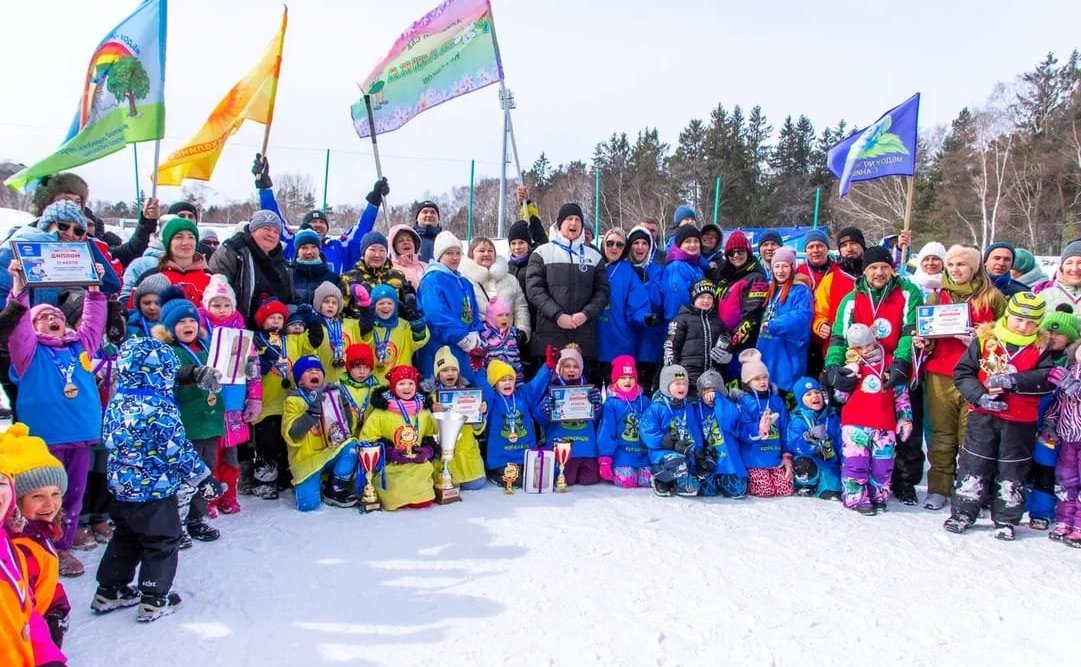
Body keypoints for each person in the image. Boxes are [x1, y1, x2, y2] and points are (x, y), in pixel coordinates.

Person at [92, 336, 225, 622]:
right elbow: (178, 451)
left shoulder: (118, 401)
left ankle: (109, 590)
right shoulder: (160, 409)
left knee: (126, 537)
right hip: (154, 491)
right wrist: (204, 479)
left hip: (121, 490)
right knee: (163, 540)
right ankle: (154, 597)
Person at [5, 257, 106, 578]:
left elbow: (93, 322)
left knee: (73, 492)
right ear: (32, 328)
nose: (51, 317)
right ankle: (36, 545)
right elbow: (18, 327)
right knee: (42, 495)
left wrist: (93, 291)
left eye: (56, 316)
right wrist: (19, 290)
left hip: (80, 433)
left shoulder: (80, 346)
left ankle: (61, 548)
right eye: (43, 316)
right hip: (44, 439)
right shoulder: (29, 352)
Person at [945, 292, 1054, 540]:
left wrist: (1015, 380)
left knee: (1012, 470)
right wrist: (979, 396)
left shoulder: (1040, 348)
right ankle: (963, 513)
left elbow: (1047, 379)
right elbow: (963, 372)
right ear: (1008, 315)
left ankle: (1006, 519)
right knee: (974, 464)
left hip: (1020, 421)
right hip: (984, 415)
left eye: (1031, 323)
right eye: (1019, 320)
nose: (1024, 326)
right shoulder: (986, 340)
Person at [824, 245, 923, 505]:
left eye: (884, 267)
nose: (879, 272)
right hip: (862, 367)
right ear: (865, 271)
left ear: (892, 269)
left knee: (899, 433)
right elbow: (838, 336)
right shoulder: (852, 298)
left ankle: (901, 484)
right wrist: (834, 367)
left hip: (894, 367)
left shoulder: (907, 292)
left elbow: (909, 330)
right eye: (873, 268)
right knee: (859, 437)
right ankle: (855, 490)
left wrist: (901, 362)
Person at [916, 245, 1005, 510]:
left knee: (972, 435)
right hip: (940, 374)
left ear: (975, 267)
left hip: (977, 377)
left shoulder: (992, 297)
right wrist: (924, 342)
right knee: (942, 434)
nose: (956, 270)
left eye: (962, 265)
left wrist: (984, 337)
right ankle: (939, 487)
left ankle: (970, 487)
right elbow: (927, 336)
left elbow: (1010, 338)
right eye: (951, 265)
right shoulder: (936, 297)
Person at [152, 296, 225, 547]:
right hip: (186, 423)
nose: (188, 325)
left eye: (192, 320)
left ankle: (197, 518)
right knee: (183, 476)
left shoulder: (205, 348)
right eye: (181, 321)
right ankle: (176, 523)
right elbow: (171, 376)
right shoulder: (167, 352)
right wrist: (192, 374)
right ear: (170, 327)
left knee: (205, 471)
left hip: (210, 422)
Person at [254, 154, 386, 274]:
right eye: (313, 222)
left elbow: (360, 232)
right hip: (294, 299)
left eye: (322, 222)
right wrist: (265, 189)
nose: (318, 225)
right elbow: (274, 221)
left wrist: (374, 203)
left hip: (331, 300)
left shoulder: (340, 248)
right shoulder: (290, 243)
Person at [0, 436, 67, 667]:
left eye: (55, 494)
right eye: (38, 496)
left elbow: (43, 583)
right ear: (16, 502)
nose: (50, 504)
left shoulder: (39, 534)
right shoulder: (23, 547)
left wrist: (57, 607)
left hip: (35, 637)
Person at [837, 324, 913, 515]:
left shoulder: (891, 363)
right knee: (856, 462)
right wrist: (846, 378)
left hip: (884, 423)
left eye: (868, 345)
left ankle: (878, 496)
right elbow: (840, 398)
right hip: (855, 423)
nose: (865, 351)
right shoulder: (850, 366)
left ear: (874, 341)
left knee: (883, 464)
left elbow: (901, 394)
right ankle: (855, 498)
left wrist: (905, 418)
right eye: (858, 348)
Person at [525, 203, 609, 374]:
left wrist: (585, 314)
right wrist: (558, 315)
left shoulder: (594, 257)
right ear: (560, 223)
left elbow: (602, 291)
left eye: (578, 219)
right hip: (550, 337)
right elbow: (534, 289)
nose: (574, 223)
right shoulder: (542, 253)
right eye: (569, 219)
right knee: (548, 391)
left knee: (580, 394)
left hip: (583, 337)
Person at [281, 356, 361, 511]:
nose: (314, 372)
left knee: (351, 446)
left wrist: (343, 405)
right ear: (299, 381)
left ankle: (335, 488)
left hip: (328, 452)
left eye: (318, 370)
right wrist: (311, 414)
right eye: (309, 371)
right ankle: (311, 482)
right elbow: (292, 434)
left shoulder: (330, 395)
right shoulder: (293, 401)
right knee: (308, 505)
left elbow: (347, 430)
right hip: (307, 460)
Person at [361, 365, 438, 510]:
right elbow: (367, 439)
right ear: (393, 387)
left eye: (410, 383)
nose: (406, 387)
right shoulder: (381, 412)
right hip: (391, 467)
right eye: (401, 384)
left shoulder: (423, 410)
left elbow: (432, 434)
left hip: (417, 466)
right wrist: (389, 453)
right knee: (396, 497)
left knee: (424, 499)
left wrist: (428, 450)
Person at [477, 354, 553, 484]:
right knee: (515, 480)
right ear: (494, 384)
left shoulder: (522, 394)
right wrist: (477, 368)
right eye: (502, 380)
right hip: (502, 458)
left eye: (510, 379)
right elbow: (481, 383)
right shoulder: (492, 398)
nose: (507, 382)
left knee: (539, 477)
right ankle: (494, 474)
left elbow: (536, 384)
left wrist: (548, 366)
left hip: (525, 454)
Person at [209, 210, 296, 322]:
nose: (271, 234)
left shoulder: (282, 264)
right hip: (235, 327)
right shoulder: (233, 252)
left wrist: (295, 318)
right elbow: (216, 289)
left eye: (276, 232)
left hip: (271, 331)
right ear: (253, 230)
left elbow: (290, 300)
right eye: (266, 229)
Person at [416, 231, 482, 377]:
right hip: (439, 348)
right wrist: (461, 337)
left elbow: (473, 310)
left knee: (471, 392)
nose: (455, 257)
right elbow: (435, 315)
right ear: (439, 256)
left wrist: (474, 331)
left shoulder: (464, 282)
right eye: (449, 253)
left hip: (465, 349)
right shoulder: (432, 280)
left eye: (458, 253)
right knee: (442, 392)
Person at [535, 346, 602, 486]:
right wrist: (545, 409)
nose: (571, 370)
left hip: (587, 448)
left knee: (590, 480)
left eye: (575, 366)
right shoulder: (551, 389)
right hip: (563, 446)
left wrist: (597, 406)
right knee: (566, 480)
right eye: (566, 366)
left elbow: (598, 419)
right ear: (559, 368)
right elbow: (539, 418)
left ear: (581, 369)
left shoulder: (588, 390)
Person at [597, 227, 654, 381]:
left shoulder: (628, 272)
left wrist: (645, 318)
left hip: (619, 345)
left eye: (619, 244)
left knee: (619, 394)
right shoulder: (594, 264)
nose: (614, 248)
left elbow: (637, 306)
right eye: (610, 243)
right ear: (603, 244)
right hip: (593, 343)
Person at [734, 349, 792, 498]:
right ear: (747, 382)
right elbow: (741, 429)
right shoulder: (745, 402)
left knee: (785, 489)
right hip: (754, 458)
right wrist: (759, 429)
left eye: (765, 377)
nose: (762, 382)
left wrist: (786, 454)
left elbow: (785, 428)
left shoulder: (776, 401)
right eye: (756, 379)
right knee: (764, 491)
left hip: (775, 457)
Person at [426, 347, 486, 491]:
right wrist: (432, 413)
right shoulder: (431, 399)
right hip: (444, 457)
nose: (450, 373)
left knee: (477, 484)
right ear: (437, 374)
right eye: (445, 370)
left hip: (467, 457)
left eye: (453, 369)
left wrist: (480, 414)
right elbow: (427, 430)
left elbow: (477, 430)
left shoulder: (470, 395)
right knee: (444, 485)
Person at [639, 364, 704, 497]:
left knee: (697, 467)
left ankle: (678, 481)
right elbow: (646, 431)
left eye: (684, 384)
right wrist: (665, 441)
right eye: (677, 384)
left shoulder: (688, 407)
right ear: (666, 386)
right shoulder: (657, 407)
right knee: (677, 461)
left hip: (685, 449)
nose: (682, 387)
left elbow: (694, 429)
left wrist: (698, 449)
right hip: (662, 451)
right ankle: (660, 477)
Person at [713, 231, 769, 381]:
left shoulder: (756, 278)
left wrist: (731, 348)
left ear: (748, 252)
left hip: (741, 348)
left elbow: (751, 318)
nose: (736, 255)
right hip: (720, 342)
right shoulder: (726, 277)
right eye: (731, 252)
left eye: (740, 251)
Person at [756, 247, 812, 395]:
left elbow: (802, 316)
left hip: (787, 355)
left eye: (785, 266)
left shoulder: (800, 290)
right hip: (768, 351)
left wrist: (774, 325)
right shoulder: (771, 289)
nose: (780, 271)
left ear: (792, 267)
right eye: (777, 266)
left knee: (784, 397)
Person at [811, 226, 865, 370]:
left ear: (862, 246)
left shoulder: (874, 274)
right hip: (838, 348)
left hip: (870, 348)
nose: (849, 248)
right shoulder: (831, 278)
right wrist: (820, 325)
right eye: (844, 245)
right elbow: (819, 312)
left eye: (853, 243)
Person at [1044, 343, 1081, 547]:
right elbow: (1058, 401)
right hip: (1068, 438)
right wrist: (1050, 423)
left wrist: (1075, 388)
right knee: (1066, 481)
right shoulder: (1070, 371)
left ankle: (1079, 526)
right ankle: (1065, 520)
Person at [460, 236, 531, 342]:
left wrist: (522, 330)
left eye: (490, 250)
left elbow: (520, 307)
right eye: (481, 250)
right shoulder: (464, 282)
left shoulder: (510, 279)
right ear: (471, 255)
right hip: (478, 343)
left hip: (508, 342)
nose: (486, 254)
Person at [597, 355, 652, 488]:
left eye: (631, 377)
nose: (627, 380)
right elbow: (607, 431)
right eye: (623, 378)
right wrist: (605, 459)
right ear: (616, 381)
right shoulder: (612, 404)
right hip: (622, 454)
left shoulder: (644, 401)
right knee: (627, 482)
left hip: (642, 453)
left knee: (646, 482)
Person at [134, 214, 212, 306]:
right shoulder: (151, 277)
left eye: (191, 237)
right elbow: (134, 313)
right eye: (179, 237)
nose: (186, 242)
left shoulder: (212, 279)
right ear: (168, 242)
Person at [664, 279, 729, 390]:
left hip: (712, 377)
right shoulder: (682, 319)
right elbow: (670, 348)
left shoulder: (718, 321)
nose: (706, 300)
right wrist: (675, 376)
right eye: (701, 297)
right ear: (694, 299)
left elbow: (726, 344)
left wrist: (727, 356)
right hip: (688, 377)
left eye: (709, 297)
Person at [785, 377, 842, 500]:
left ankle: (826, 487)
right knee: (803, 464)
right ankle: (805, 485)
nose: (815, 396)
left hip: (829, 460)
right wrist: (808, 440)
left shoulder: (832, 417)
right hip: (809, 459)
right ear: (801, 400)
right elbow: (793, 445)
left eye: (817, 392)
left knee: (833, 487)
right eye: (808, 394)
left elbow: (841, 440)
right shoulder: (798, 420)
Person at [694, 370, 747, 498]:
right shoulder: (696, 408)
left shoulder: (730, 406)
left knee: (738, 490)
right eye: (706, 390)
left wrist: (719, 400)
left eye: (715, 390)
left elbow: (727, 422)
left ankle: (724, 478)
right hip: (708, 459)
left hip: (728, 460)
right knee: (707, 493)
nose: (710, 394)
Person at [626, 225, 666, 393]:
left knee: (646, 388)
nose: (640, 247)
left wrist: (646, 286)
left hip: (650, 340)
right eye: (636, 243)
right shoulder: (622, 269)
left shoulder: (658, 272)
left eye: (644, 243)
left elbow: (661, 301)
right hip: (626, 337)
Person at [339, 231, 411, 319]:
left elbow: (407, 309)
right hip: (360, 330)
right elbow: (341, 312)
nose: (377, 255)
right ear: (364, 252)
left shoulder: (397, 276)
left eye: (382, 250)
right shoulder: (348, 278)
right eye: (372, 249)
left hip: (392, 330)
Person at [659, 226, 705, 321]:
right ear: (680, 245)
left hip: (693, 324)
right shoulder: (676, 267)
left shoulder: (695, 266)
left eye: (696, 241)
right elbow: (676, 304)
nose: (692, 245)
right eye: (687, 241)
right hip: (682, 326)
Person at [479, 297, 524, 383]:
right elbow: (481, 365)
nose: (504, 318)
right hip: (490, 384)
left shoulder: (512, 335)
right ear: (491, 316)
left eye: (507, 315)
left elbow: (516, 363)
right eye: (500, 315)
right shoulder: (485, 336)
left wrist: (519, 384)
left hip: (508, 383)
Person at [290, 229, 336, 306]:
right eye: (304, 248)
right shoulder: (288, 275)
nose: (309, 252)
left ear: (319, 249)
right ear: (297, 251)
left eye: (313, 247)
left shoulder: (332, 278)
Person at [1035, 240, 1081, 314]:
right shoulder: (1045, 296)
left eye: (1080, 262)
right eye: (1069, 263)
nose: (1075, 268)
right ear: (1061, 268)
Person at [387, 224, 427, 290]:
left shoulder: (426, 267)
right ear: (393, 247)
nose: (406, 242)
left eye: (409, 240)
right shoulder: (389, 268)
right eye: (400, 241)